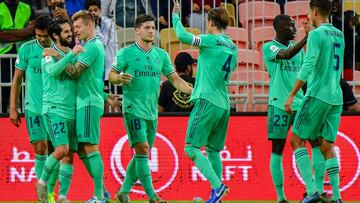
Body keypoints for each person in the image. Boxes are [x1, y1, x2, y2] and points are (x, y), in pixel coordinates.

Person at [109, 14, 193, 203]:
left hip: (151, 112)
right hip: (132, 108)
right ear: (137, 30)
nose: (151, 31)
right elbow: (111, 74)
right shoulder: (126, 53)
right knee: (143, 148)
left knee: (142, 153)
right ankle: (152, 196)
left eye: (153, 28)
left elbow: (174, 79)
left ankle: (123, 192)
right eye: (146, 27)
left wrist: (192, 92)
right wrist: (119, 78)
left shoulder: (161, 55)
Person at [172, 1, 238, 202]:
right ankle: (217, 195)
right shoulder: (233, 47)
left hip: (207, 99)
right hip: (223, 103)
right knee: (212, 150)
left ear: (210, 22)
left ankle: (217, 187)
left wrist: (176, 16)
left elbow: (182, 36)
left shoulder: (211, 40)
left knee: (191, 148)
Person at [263, 14, 331, 203]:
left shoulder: (300, 51)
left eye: (294, 26)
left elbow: (303, 79)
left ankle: (316, 190)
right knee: (277, 149)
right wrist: (308, 37)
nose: (294, 29)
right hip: (278, 104)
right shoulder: (269, 47)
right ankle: (281, 197)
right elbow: (286, 54)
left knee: (316, 142)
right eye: (290, 26)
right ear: (279, 28)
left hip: (300, 104)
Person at [284, 0, 344, 202]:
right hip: (336, 97)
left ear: (315, 11)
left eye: (310, 11)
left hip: (318, 94)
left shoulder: (316, 34)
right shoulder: (340, 34)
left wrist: (292, 94)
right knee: (326, 145)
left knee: (297, 140)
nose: (309, 15)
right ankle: (336, 197)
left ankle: (311, 191)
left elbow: (309, 65)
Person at [8, 14, 61, 203]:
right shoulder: (26, 49)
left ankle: (51, 192)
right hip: (34, 107)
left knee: (56, 150)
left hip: (56, 108)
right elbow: (17, 79)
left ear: (52, 33)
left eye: (44, 35)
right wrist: (13, 107)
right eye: (37, 35)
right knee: (40, 147)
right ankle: (44, 196)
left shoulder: (59, 49)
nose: (40, 39)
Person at [35, 17, 82, 203]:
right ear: (55, 35)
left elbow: (77, 77)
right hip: (54, 108)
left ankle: (62, 197)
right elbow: (53, 72)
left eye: (70, 30)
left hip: (72, 110)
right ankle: (42, 182)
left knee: (69, 155)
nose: (70, 34)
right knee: (61, 149)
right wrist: (69, 55)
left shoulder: (72, 52)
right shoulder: (48, 53)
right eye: (66, 31)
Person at [0, 0, 35, 113]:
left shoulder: (27, 8)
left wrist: (7, 33)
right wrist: (23, 32)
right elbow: (1, 36)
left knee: (24, 85)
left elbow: (31, 31)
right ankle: (3, 113)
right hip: (4, 54)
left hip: (23, 53)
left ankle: (26, 112)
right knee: (4, 86)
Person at [85, 0, 117, 95]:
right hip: (95, 69)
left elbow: (103, 43)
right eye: (90, 11)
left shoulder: (109, 23)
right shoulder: (84, 25)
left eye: (95, 10)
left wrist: (94, 27)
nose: (93, 13)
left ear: (100, 10)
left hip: (109, 67)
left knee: (114, 101)